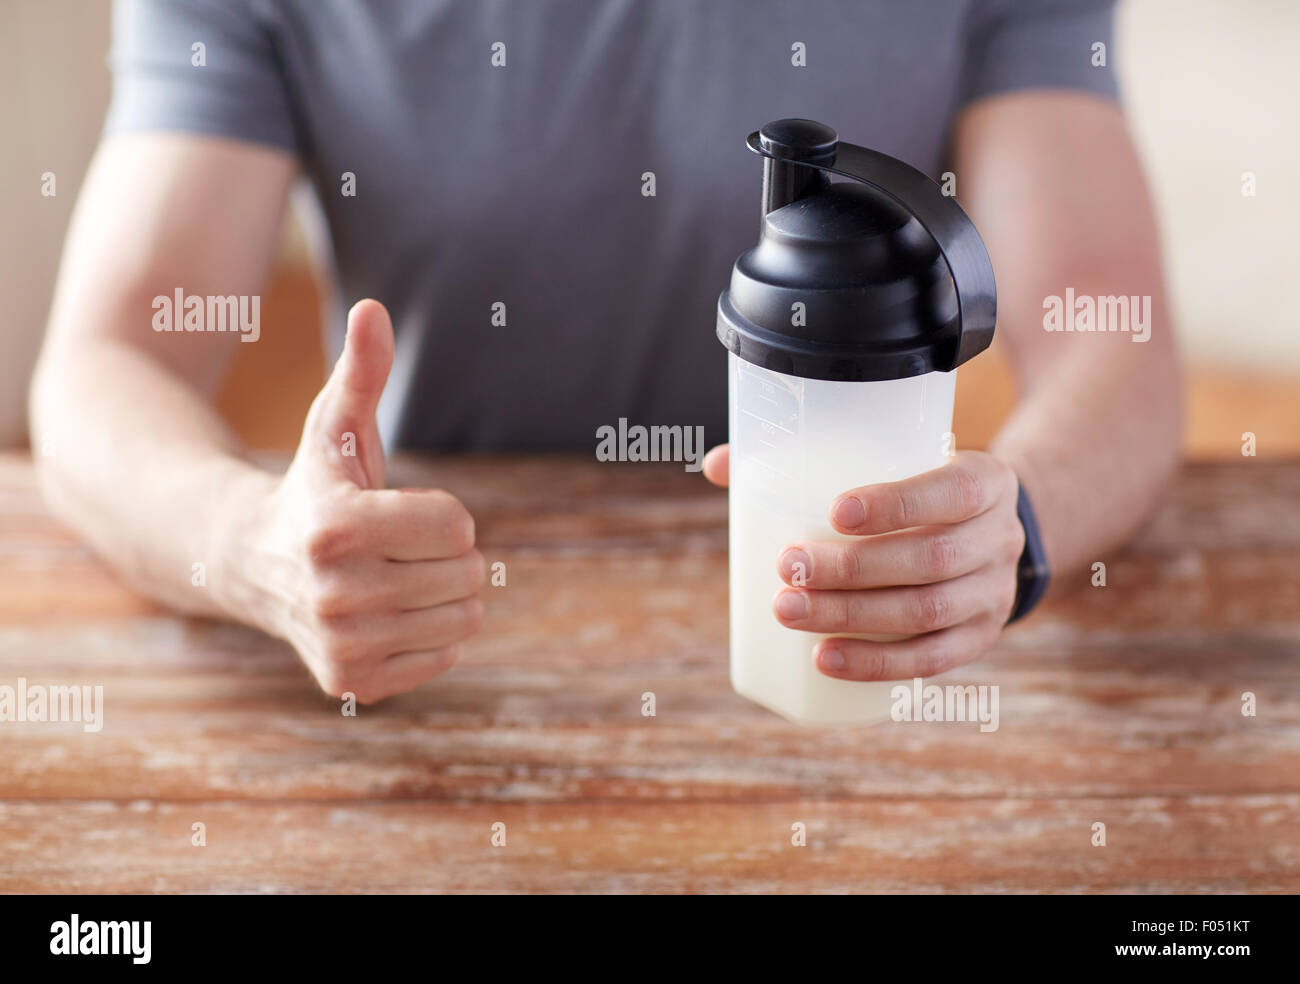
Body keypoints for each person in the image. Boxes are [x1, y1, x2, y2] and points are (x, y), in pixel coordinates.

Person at [29, 0, 1179, 703]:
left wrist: (1012, 531)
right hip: (434, 638)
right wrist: (251, 544)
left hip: (831, 628)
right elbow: (108, 361)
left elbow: (1111, 335)